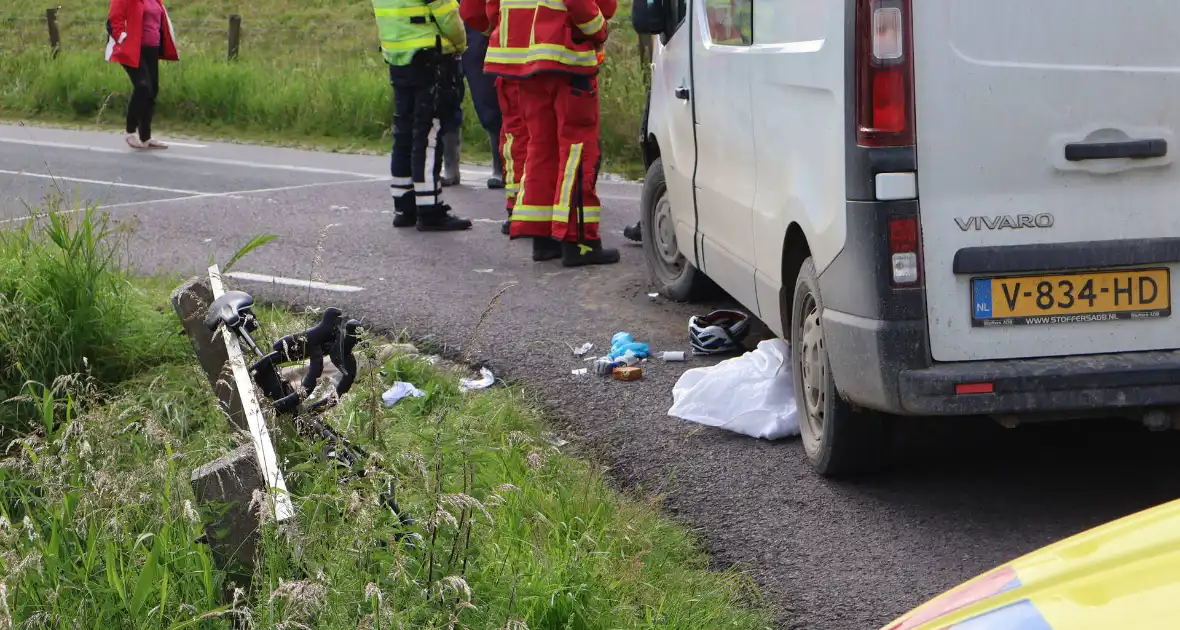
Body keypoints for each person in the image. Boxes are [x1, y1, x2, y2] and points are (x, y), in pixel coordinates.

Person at [496, 0, 619, 266]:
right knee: (578, 150)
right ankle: (580, 242)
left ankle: (543, 239)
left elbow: (483, 11)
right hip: (567, 59)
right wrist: (600, 30)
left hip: (524, 62)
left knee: (541, 147)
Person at [373, 0, 473, 231]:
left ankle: (404, 205)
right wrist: (460, 44)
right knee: (429, 132)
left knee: (404, 130)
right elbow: (448, 17)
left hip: (398, 56)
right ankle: (429, 209)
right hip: (429, 57)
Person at [463, 0, 530, 240]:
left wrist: (494, 29)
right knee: (552, 135)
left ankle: (518, 207)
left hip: (507, 51)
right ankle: (559, 208)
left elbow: (472, 12)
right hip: (558, 53)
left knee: (515, 131)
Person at [105, 0, 179, 150]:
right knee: (142, 87)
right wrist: (123, 39)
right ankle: (130, 131)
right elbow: (113, 20)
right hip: (133, 49)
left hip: (152, 48)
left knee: (152, 91)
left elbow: (160, 21)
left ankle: (146, 137)